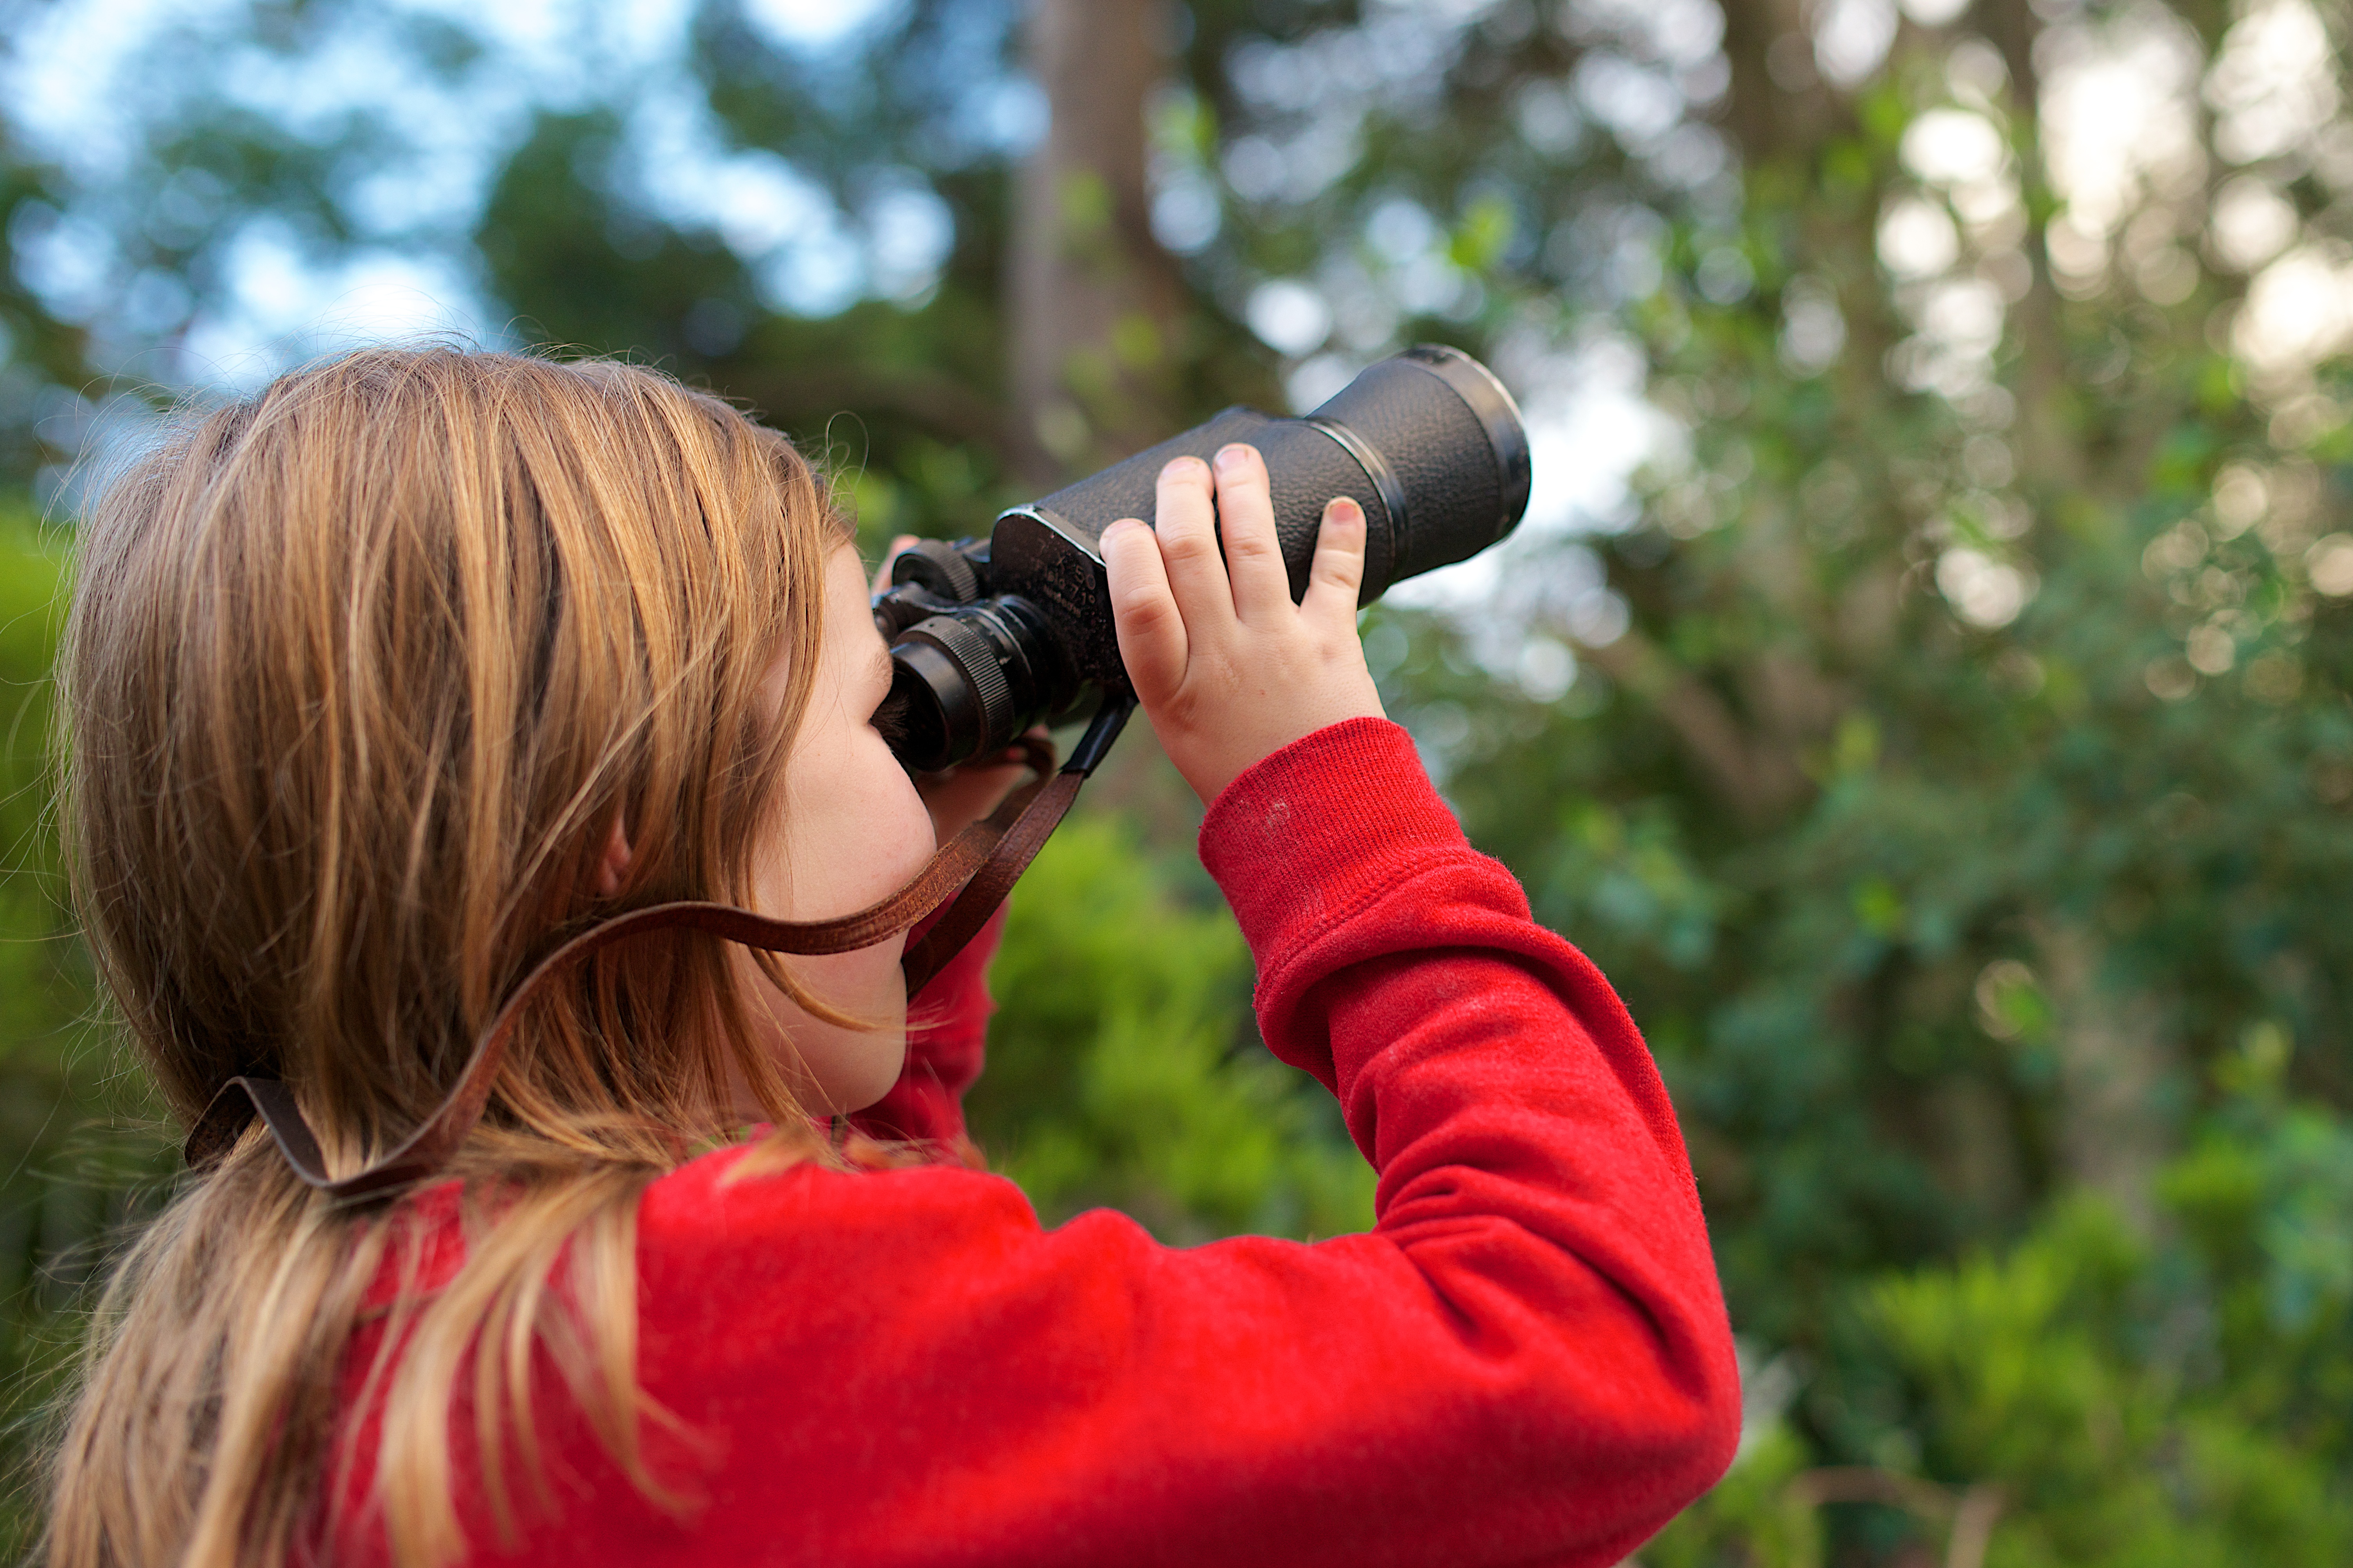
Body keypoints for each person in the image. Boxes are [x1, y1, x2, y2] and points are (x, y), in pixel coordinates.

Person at [42, 347, 1739, 1568]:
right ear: (627, 829)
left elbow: (906, 1459)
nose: (908, 745)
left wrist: (904, 914)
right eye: (869, 710)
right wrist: (1324, 801)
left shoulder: (311, 1340)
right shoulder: (699, 1321)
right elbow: (1595, 1357)